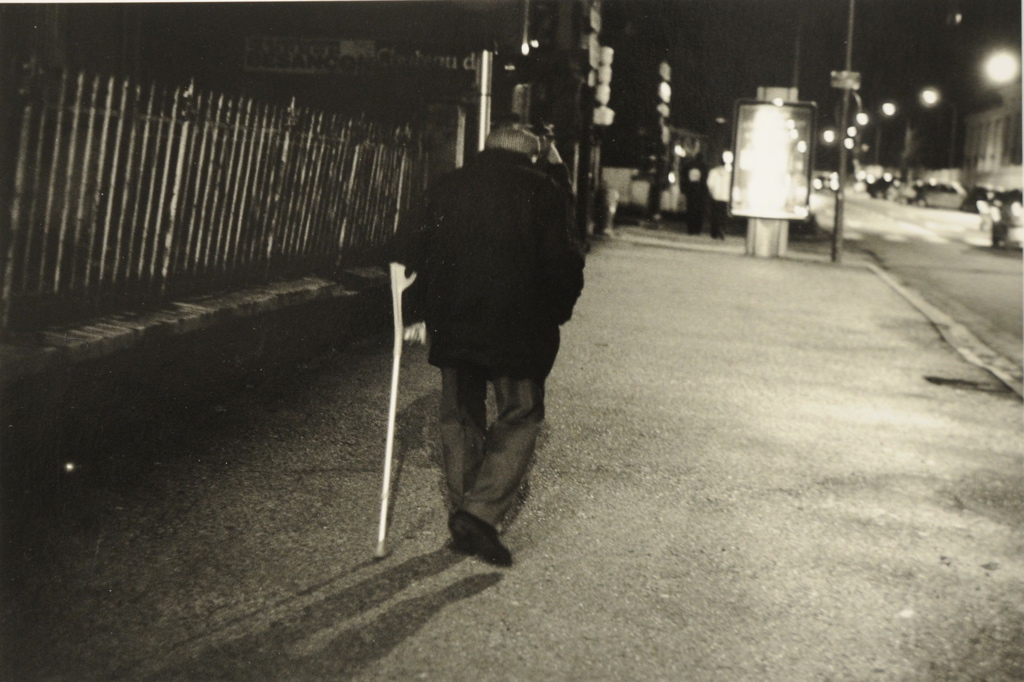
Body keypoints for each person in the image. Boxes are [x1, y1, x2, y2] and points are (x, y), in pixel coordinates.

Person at [392, 123, 585, 567]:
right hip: (520, 325)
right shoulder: (544, 191)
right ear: (532, 156)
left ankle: (466, 508)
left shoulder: (447, 186)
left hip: (454, 320)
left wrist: (416, 312)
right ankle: (478, 514)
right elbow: (564, 261)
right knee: (520, 411)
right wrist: (556, 311)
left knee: (460, 412)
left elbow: (410, 252)